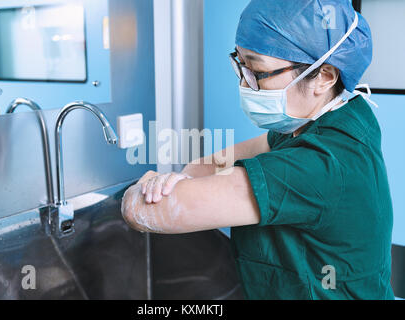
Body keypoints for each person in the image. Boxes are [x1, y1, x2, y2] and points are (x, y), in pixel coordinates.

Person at [121, 0, 395, 300]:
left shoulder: (320, 165)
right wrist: (184, 179)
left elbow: (143, 212)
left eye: (257, 71)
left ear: (325, 76)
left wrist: (146, 185)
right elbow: (215, 162)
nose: (244, 83)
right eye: (240, 65)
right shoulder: (328, 121)